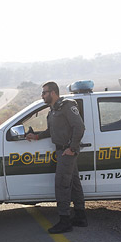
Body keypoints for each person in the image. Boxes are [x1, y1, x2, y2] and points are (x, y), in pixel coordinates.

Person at [26, 81, 87, 233]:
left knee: (62, 185)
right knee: (74, 183)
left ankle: (65, 221)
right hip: (62, 151)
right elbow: (51, 131)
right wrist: (37, 136)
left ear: (53, 92)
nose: (42, 95)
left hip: (66, 152)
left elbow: (79, 127)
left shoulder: (66, 106)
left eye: (44, 92)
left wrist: (72, 148)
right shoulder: (53, 110)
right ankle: (80, 216)